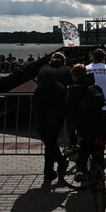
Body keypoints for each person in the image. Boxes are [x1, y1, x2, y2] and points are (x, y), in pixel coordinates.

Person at [33, 52, 71, 183]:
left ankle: (49, 171)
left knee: (45, 136)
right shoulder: (67, 70)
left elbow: (39, 81)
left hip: (39, 104)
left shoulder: (43, 68)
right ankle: (59, 162)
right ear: (64, 61)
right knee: (51, 138)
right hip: (57, 106)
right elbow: (71, 85)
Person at [69, 64, 106, 181]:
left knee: (84, 145)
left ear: (74, 76)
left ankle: (80, 169)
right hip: (99, 122)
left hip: (83, 124)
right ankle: (100, 171)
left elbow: (70, 109)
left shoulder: (74, 90)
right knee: (98, 146)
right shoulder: (95, 88)